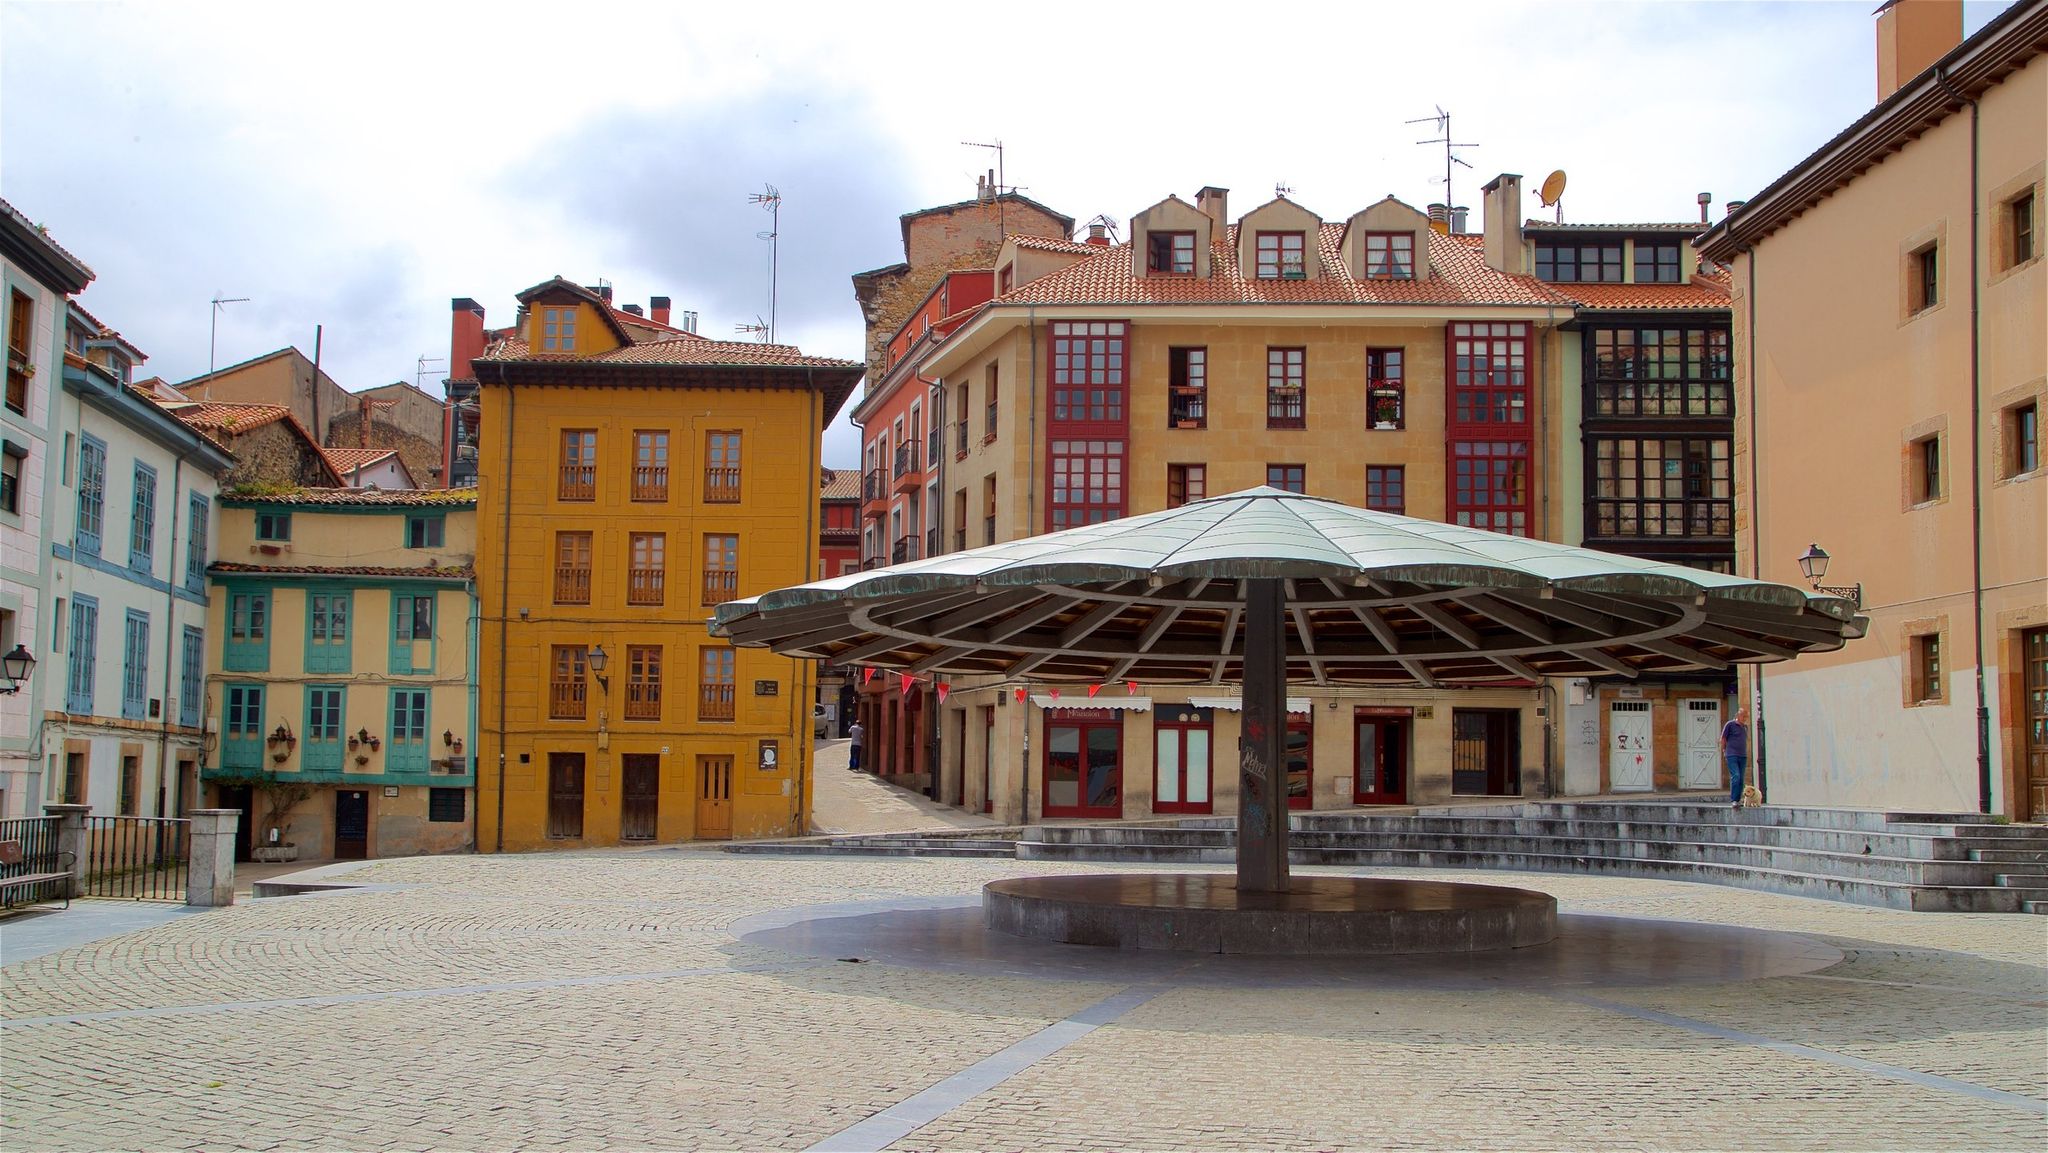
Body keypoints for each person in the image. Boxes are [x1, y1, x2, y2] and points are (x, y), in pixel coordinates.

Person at [1720, 706, 1750, 809]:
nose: (1745, 718)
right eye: (1743, 716)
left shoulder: (1745, 727)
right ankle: (1733, 800)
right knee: (1736, 776)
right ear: (1738, 715)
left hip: (1742, 755)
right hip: (1732, 754)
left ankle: (1738, 799)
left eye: (1746, 717)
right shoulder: (1730, 725)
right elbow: (1723, 738)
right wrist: (1724, 751)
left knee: (1741, 778)